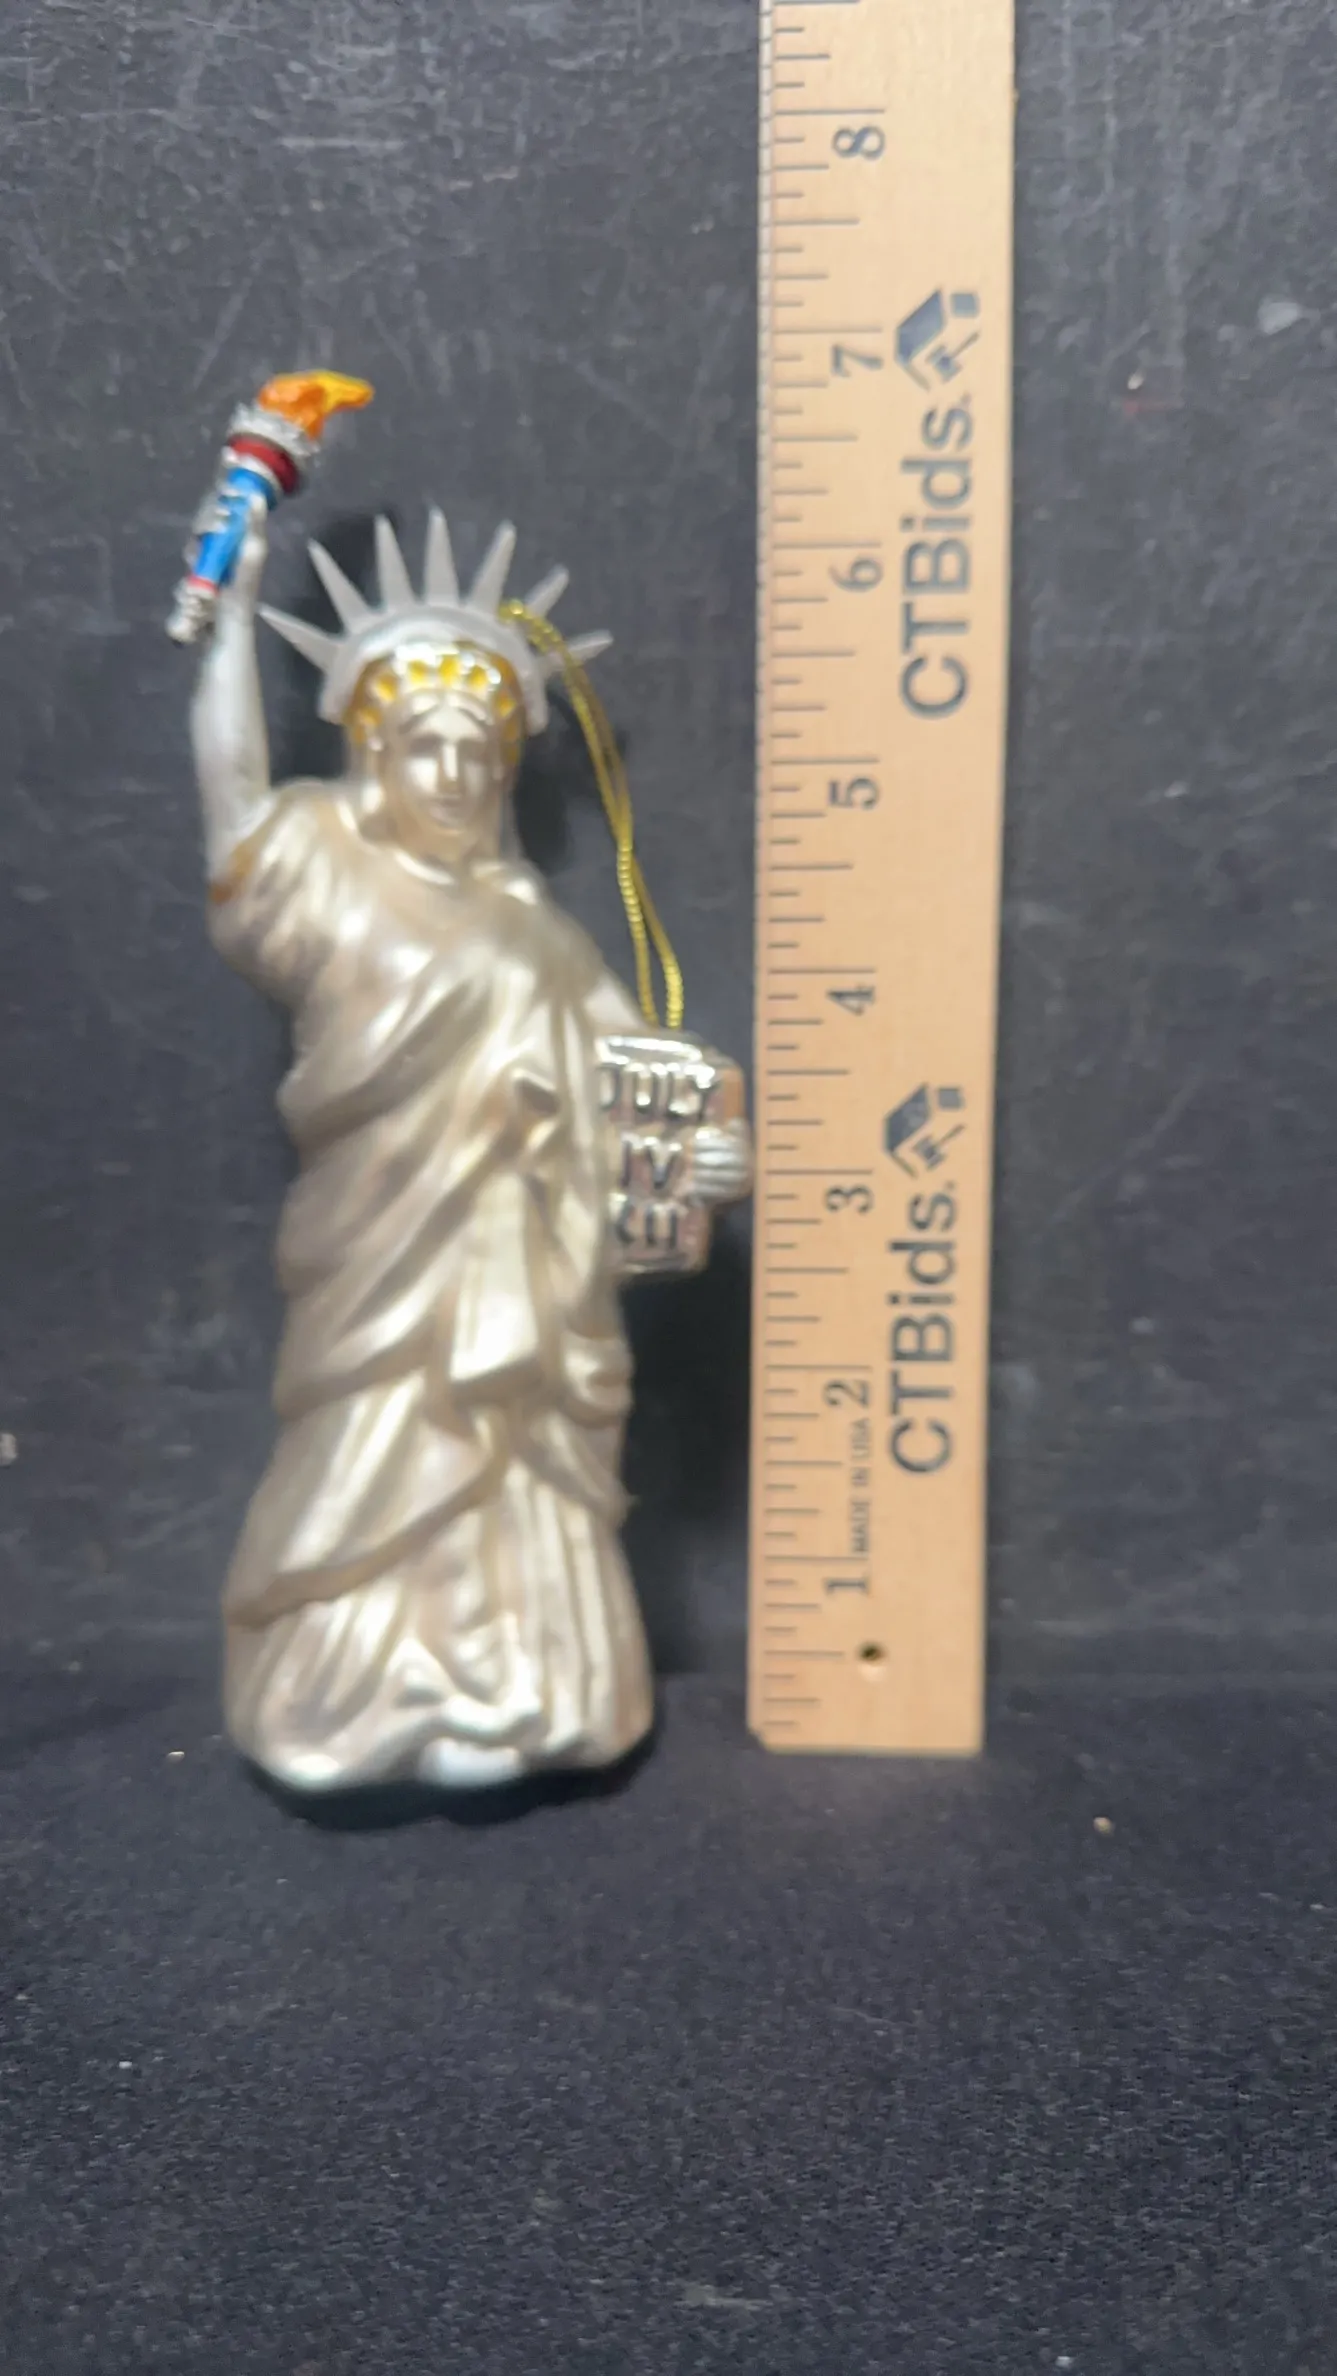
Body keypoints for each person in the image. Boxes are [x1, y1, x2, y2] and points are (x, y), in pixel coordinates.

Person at [191, 504, 750, 1791]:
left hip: (526, 1281)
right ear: (371, 756)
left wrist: (713, 1167)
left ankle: (531, 1688)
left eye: (474, 753)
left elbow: (643, 1090)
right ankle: (353, 1695)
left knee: (515, 1469)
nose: (449, 774)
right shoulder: (319, 872)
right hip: (377, 1263)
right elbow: (230, 809)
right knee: (375, 1454)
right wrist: (230, 614)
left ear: (501, 777)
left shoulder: (536, 935)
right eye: (421, 746)